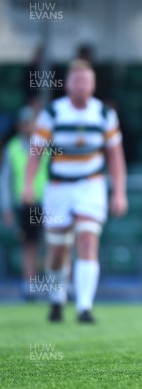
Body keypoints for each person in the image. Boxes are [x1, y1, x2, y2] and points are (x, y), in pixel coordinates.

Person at [23, 59, 128, 323]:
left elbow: (115, 156)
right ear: (67, 84)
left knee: (87, 240)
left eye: (86, 81)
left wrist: (119, 192)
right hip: (58, 187)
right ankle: (57, 300)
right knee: (57, 250)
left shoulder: (104, 114)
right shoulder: (53, 113)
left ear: (92, 85)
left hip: (91, 185)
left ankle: (84, 307)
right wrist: (27, 184)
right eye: (77, 81)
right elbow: (36, 153)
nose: (81, 86)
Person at [0, 102, 48, 300]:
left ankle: (60, 286)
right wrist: (7, 208)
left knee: (56, 244)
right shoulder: (12, 148)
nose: (29, 126)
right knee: (29, 246)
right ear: (20, 125)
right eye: (26, 123)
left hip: (48, 202)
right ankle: (30, 287)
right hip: (26, 205)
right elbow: (5, 180)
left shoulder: (46, 145)